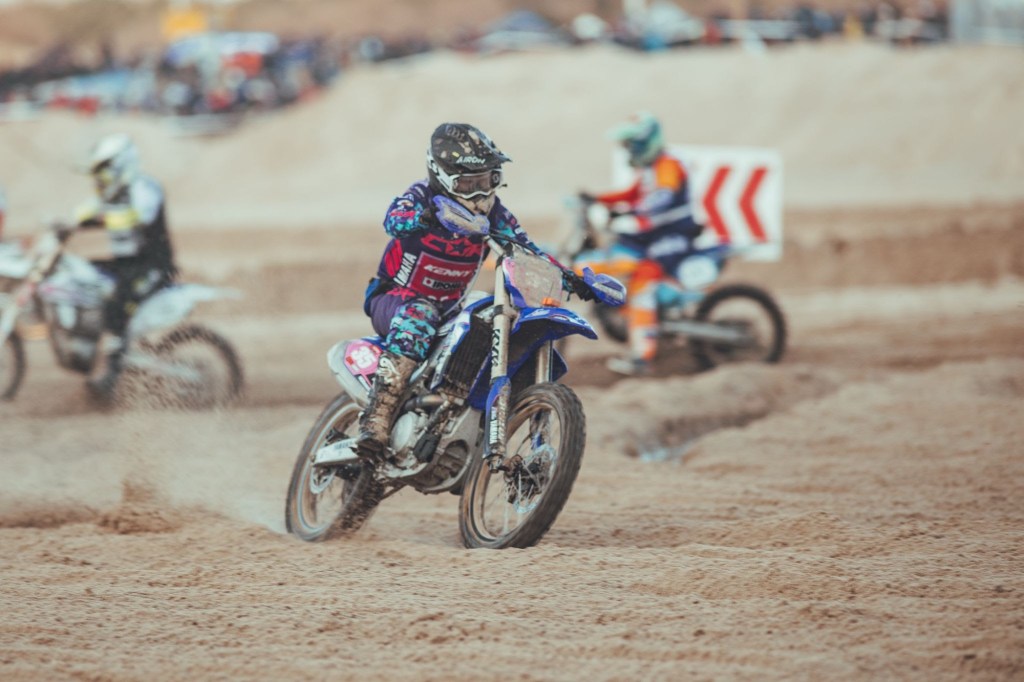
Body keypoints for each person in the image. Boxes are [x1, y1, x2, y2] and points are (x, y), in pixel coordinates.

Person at [356, 122, 588, 463]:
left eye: (487, 180)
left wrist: (572, 279)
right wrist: (426, 216)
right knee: (420, 316)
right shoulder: (422, 195)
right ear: (442, 176)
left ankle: (459, 419)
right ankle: (376, 417)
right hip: (394, 298)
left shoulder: (495, 214)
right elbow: (393, 220)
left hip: (450, 309)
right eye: (469, 183)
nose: (480, 191)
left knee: (484, 317)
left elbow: (528, 251)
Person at [576, 111, 704, 376]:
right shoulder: (649, 169)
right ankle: (634, 317)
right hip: (654, 235)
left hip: (674, 236)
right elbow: (631, 193)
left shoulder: (667, 165)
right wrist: (598, 199)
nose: (628, 150)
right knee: (617, 256)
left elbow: (662, 198)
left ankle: (642, 358)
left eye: (631, 144)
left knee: (643, 280)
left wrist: (629, 212)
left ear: (646, 142)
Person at [65, 133, 178, 400]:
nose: (100, 177)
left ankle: (113, 375)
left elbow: (138, 217)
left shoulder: (145, 187)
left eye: (104, 169)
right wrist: (67, 222)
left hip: (152, 266)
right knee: (85, 277)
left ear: (120, 163)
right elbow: (88, 209)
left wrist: (96, 220)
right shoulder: (114, 192)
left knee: (116, 307)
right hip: (127, 264)